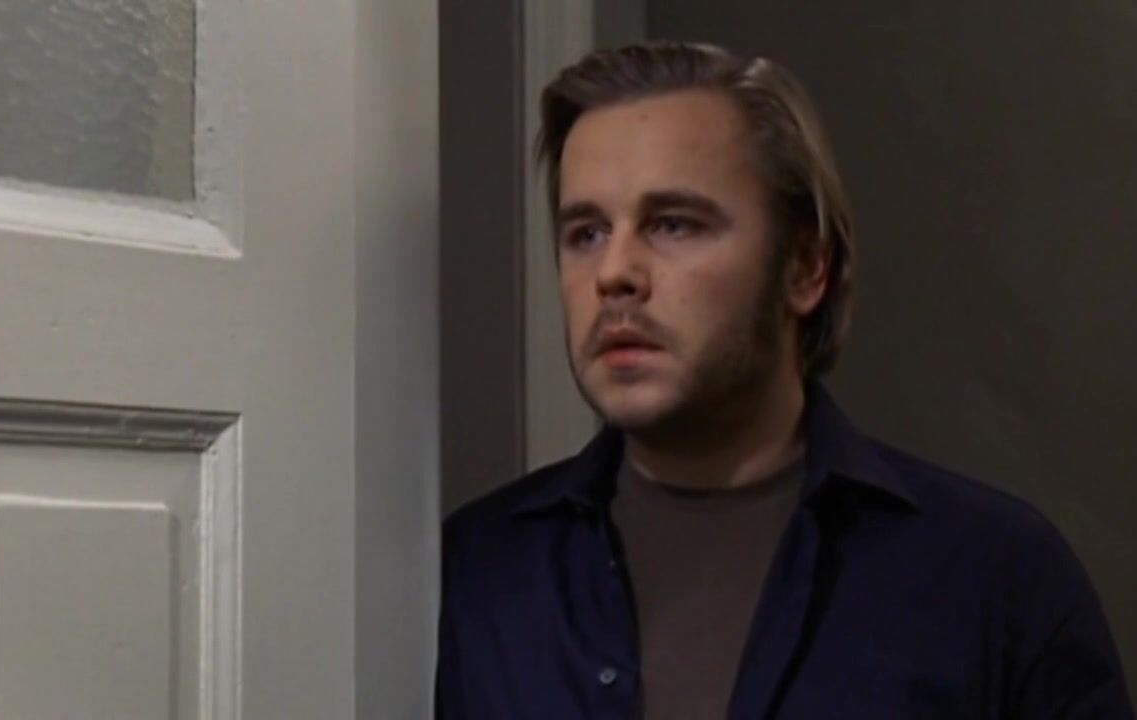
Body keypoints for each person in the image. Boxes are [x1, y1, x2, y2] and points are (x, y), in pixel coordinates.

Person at [436, 41, 1133, 719]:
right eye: (585, 233)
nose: (614, 273)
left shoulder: (991, 574)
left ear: (804, 267)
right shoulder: (479, 570)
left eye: (673, 224)